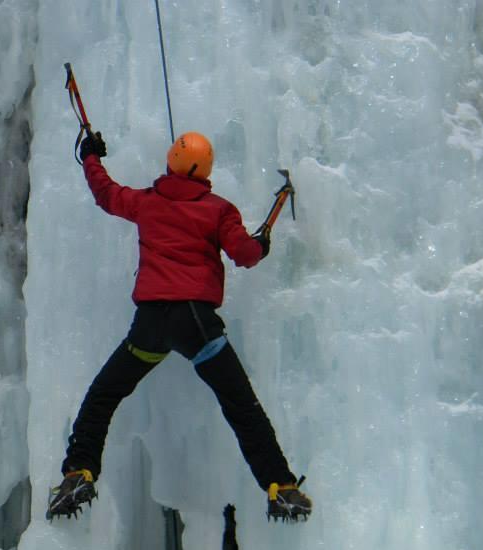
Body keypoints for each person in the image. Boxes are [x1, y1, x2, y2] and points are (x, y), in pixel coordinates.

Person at [47, 130, 311, 523]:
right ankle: (280, 487)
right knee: (241, 407)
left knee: (103, 396)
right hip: (196, 323)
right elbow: (244, 254)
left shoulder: (147, 203)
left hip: (151, 326)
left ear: (171, 161)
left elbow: (107, 194)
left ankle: (79, 472)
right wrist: (262, 244)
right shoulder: (218, 209)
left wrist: (90, 157)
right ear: (205, 172)